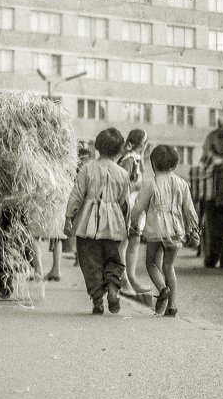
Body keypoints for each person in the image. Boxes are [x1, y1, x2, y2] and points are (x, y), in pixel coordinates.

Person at [64, 127, 130, 315]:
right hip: (114, 224)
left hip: (88, 224)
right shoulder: (122, 174)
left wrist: (68, 217)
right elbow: (125, 202)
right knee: (114, 259)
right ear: (119, 151)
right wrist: (126, 223)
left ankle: (97, 300)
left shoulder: (87, 168)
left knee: (90, 261)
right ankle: (113, 287)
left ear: (98, 147)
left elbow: (77, 194)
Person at [132, 144, 199, 317]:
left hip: (156, 229)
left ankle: (163, 289)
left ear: (153, 163)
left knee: (151, 264)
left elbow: (139, 206)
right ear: (174, 165)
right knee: (169, 266)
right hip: (176, 229)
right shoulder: (182, 184)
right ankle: (173, 306)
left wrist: (133, 223)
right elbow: (189, 209)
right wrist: (193, 229)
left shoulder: (151, 183)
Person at [118, 128, 152, 297]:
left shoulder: (137, 159)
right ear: (142, 144)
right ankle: (124, 280)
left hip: (136, 204)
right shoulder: (129, 160)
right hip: (128, 205)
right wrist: (138, 187)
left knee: (134, 241)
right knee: (125, 242)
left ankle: (131, 278)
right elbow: (122, 184)